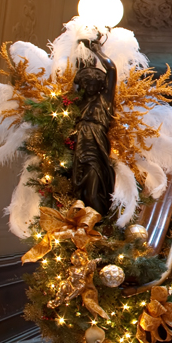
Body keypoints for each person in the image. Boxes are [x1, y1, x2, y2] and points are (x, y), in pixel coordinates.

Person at [71, 35, 117, 216]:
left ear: (100, 84)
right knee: (79, 190)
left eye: (93, 82)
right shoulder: (79, 103)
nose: (89, 86)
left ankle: (99, 223)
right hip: (79, 144)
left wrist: (96, 50)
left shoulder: (104, 99)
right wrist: (80, 55)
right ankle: (85, 226)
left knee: (93, 190)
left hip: (96, 144)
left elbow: (111, 69)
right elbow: (73, 84)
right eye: (86, 83)